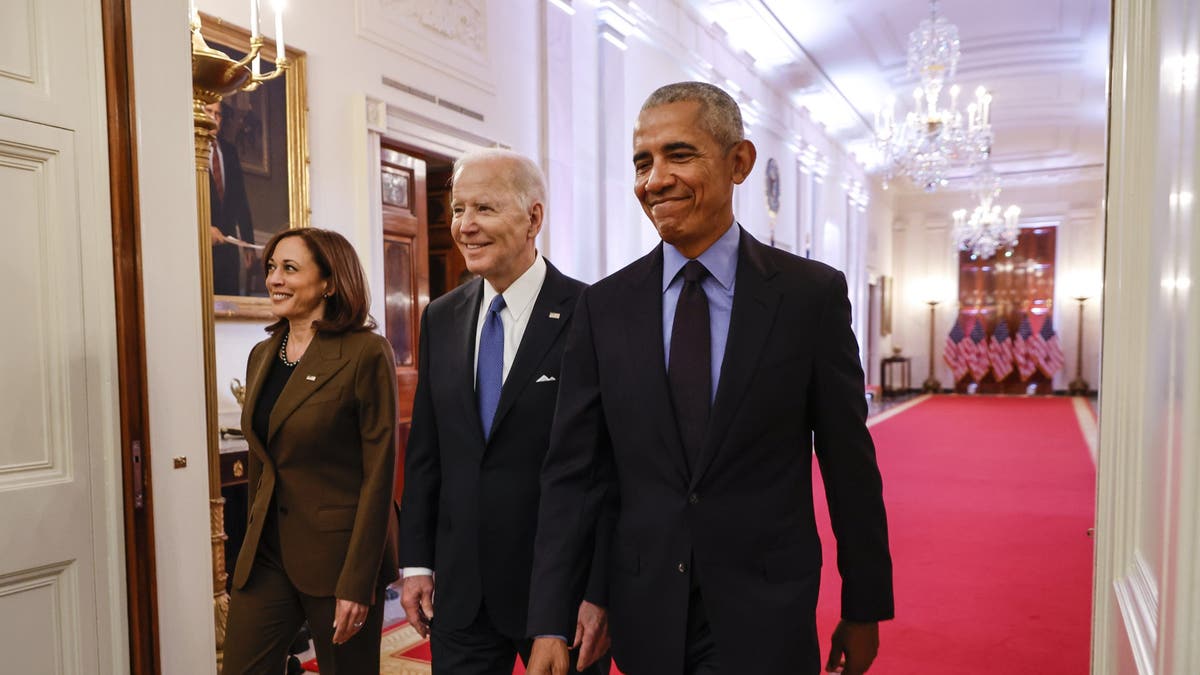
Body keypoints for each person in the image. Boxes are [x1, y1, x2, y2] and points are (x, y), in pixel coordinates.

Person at [525, 82, 894, 675]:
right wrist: (550, 614)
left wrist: (865, 604)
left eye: (680, 154)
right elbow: (573, 474)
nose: (654, 179)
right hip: (646, 611)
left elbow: (849, 462)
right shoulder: (603, 309)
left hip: (767, 609)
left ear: (738, 162)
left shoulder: (809, 298)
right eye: (643, 162)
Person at [398, 149, 612, 675]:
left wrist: (600, 592)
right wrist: (417, 563)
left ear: (533, 218)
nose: (465, 227)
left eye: (485, 209)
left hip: (559, 596)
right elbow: (428, 452)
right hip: (462, 593)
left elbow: (612, 470)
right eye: (457, 209)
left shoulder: (594, 315)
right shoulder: (440, 317)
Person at [222, 228, 400, 674]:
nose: (273, 279)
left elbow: (379, 475)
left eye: (289, 268)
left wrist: (359, 582)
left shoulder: (365, 353)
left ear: (330, 283)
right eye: (271, 268)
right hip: (266, 558)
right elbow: (263, 464)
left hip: (337, 560)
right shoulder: (263, 354)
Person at [206, 100, 256, 296]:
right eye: (208, 111)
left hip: (229, 247)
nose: (213, 118)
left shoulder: (229, 152)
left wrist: (248, 243)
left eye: (217, 114)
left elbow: (240, 201)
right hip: (202, 246)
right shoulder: (186, 149)